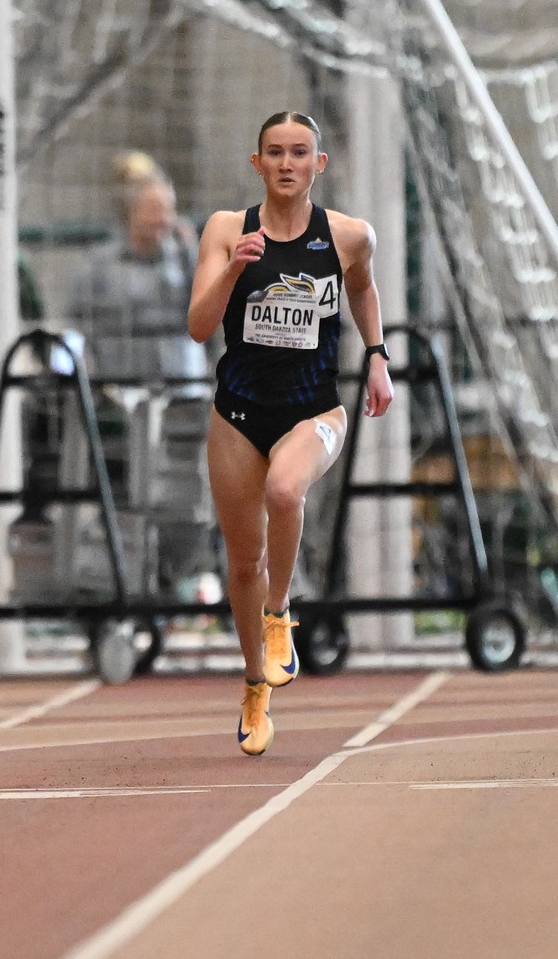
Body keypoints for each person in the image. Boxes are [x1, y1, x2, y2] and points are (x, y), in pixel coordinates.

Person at [187, 111, 392, 756]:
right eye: (273, 152)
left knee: (285, 489)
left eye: (298, 152)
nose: (285, 163)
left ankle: (280, 616)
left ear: (317, 165)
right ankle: (255, 687)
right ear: (257, 164)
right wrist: (233, 269)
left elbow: (362, 289)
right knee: (242, 561)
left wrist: (378, 355)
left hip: (314, 409)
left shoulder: (349, 236)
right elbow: (197, 326)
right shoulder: (226, 230)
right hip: (238, 412)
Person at [66, 151, 205, 382]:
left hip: (183, 386)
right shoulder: (100, 265)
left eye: (167, 210)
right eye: (152, 209)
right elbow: (79, 324)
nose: (162, 219)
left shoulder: (184, 258)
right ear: (130, 213)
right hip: (119, 386)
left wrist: (193, 251)